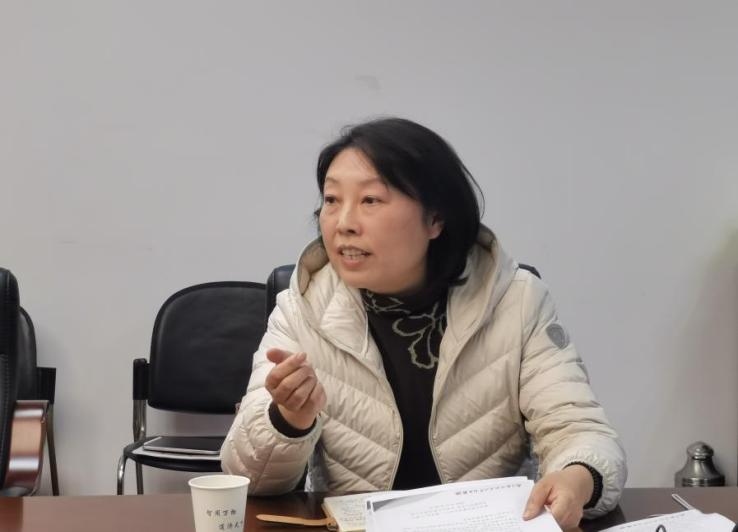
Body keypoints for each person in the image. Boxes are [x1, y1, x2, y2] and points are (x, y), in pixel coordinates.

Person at [221, 117, 626, 529]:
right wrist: (288, 420)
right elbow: (248, 477)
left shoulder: (516, 302)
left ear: (435, 219)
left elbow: (579, 429)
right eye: (331, 200)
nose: (344, 223)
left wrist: (577, 479)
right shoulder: (303, 308)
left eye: (370, 200)